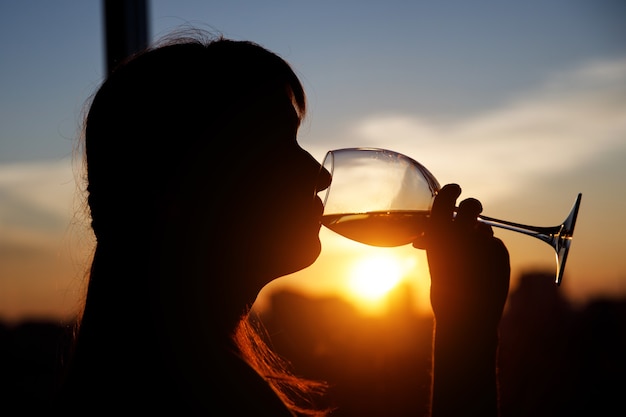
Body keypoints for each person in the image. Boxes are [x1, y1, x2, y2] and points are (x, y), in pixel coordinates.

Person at [58, 31, 510, 417]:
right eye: (274, 145)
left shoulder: (132, 377)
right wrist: (467, 333)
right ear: (174, 190)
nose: (321, 174)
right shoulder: (202, 397)